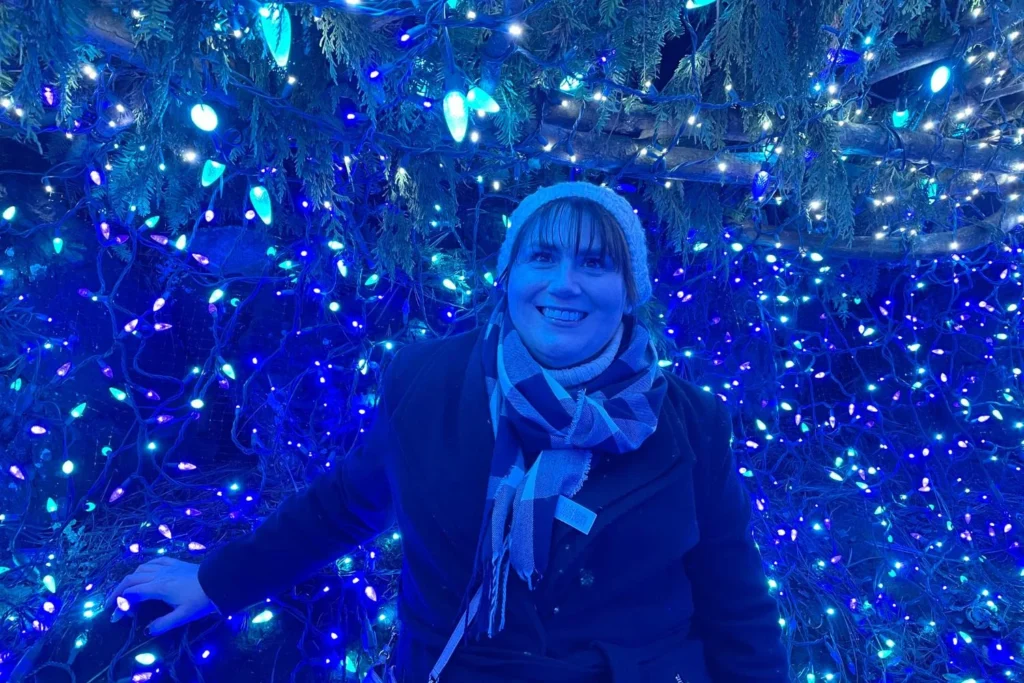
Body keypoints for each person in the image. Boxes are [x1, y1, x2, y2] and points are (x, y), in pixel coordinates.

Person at [106, 182, 790, 682]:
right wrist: (218, 579)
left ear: (629, 288)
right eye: (542, 257)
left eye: (595, 264)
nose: (565, 284)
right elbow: (342, 507)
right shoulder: (429, 381)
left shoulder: (691, 424)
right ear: (509, 274)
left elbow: (736, 603)